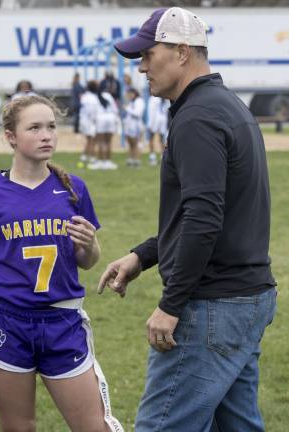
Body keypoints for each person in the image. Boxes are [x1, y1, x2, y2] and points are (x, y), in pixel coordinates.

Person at [101, 7, 277, 431]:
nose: (141, 67)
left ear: (181, 52)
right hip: (246, 297)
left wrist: (171, 304)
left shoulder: (197, 116)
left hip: (212, 305)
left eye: (148, 53)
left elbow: (204, 218)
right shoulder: (224, 105)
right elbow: (205, 213)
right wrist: (143, 256)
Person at [0, 94, 122, 432]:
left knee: (94, 426)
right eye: (34, 127)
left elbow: (88, 261)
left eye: (51, 126)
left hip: (62, 321)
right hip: (8, 323)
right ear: (11, 137)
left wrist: (90, 245)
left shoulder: (73, 189)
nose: (46, 134)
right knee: (19, 427)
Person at [88, 86, 119, 170]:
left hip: (101, 118)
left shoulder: (95, 97)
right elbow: (115, 109)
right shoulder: (109, 96)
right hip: (111, 117)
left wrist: (93, 121)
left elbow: (92, 111)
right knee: (108, 142)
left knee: (101, 142)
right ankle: (108, 161)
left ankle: (101, 161)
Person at [77, 80, 100, 168]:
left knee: (88, 140)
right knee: (92, 140)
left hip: (83, 120)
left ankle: (83, 158)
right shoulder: (93, 98)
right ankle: (92, 159)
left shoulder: (84, 96)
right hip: (90, 121)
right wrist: (95, 121)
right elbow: (92, 112)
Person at [123, 88, 145, 167]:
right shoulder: (132, 102)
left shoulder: (139, 101)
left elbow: (137, 113)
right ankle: (131, 159)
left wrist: (127, 109)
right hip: (130, 125)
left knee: (135, 143)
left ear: (134, 93)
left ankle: (137, 160)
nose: (128, 96)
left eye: (129, 94)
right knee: (131, 143)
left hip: (136, 125)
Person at [145, 95, 170, 166]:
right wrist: (150, 123)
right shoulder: (153, 99)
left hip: (162, 121)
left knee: (162, 139)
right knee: (151, 138)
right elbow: (151, 111)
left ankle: (163, 156)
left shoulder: (166, 99)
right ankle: (152, 157)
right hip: (154, 121)